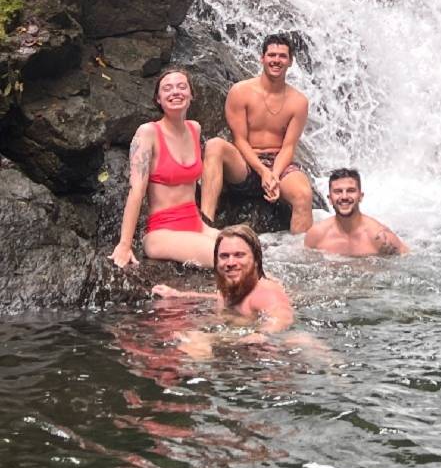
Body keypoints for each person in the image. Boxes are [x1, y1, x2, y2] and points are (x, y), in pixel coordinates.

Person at [201, 34, 313, 233]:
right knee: (214, 145)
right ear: (262, 58)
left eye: (282, 56)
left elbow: (288, 147)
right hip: (245, 163)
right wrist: (262, 171)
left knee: (303, 194)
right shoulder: (240, 92)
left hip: (278, 164)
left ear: (290, 62)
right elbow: (240, 140)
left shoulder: (299, 102)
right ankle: (204, 225)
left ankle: (301, 248)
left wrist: (274, 175)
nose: (276, 60)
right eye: (272, 55)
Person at [111, 68, 219, 268]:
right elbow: (136, 191)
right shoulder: (148, 133)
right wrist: (124, 245)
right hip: (162, 232)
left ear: (191, 94)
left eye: (182, 86)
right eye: (167, 88)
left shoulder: (195, 129)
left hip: (197, 224)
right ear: (158, 99)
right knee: (224, 255)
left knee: (250, 248)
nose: (175, 92)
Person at [152, 224, 294, 334]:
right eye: (224, 256)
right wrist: (178, 295)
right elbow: (221, 298)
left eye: (239, 255)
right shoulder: (236, 287)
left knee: (195, 339)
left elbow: (282, 319)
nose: (230, 262)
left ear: (256, 260)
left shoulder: (267, 294)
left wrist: (260, 335)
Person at [304, 168, 409, 256]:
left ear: (360, 197)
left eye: (351, 191)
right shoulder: (316, 235)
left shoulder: (380, 238)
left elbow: (406, 258)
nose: (344, 197)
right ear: (330, 199)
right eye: (338, 191)